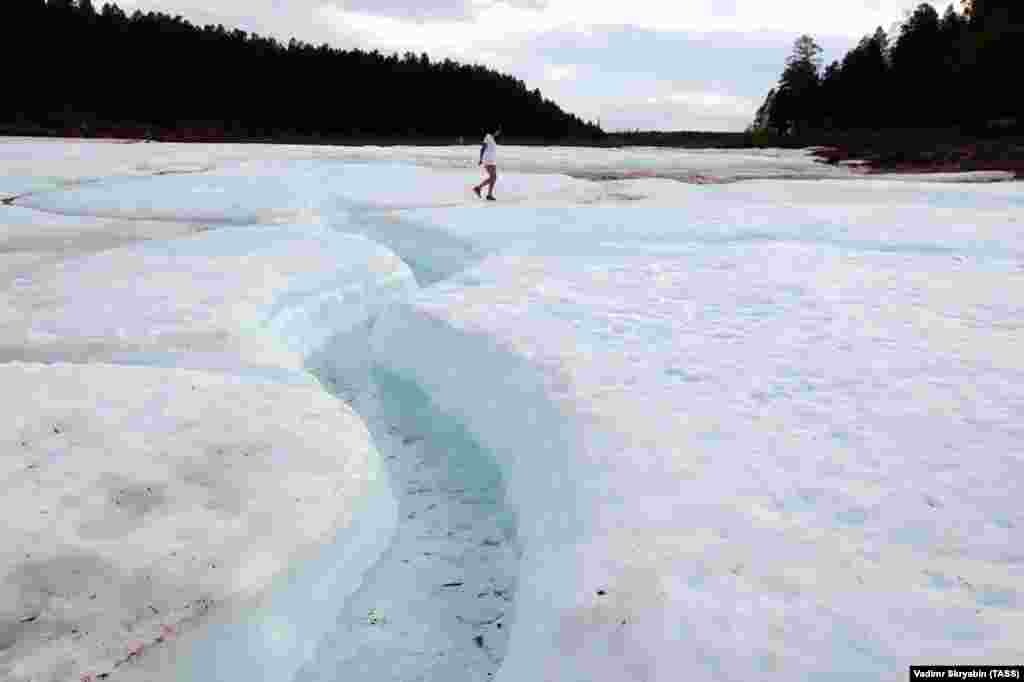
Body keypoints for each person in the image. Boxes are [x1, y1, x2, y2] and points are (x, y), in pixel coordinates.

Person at [473, 128, 501, 201]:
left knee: (493, 177)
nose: (498, 133)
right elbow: (482, 148)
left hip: (492, 160)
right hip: (488, 160)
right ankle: (478, 188)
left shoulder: (492, 138)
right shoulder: (488, 137)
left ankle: (489, 194)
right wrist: (481, 159)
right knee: (493, 177)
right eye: (498, 131)